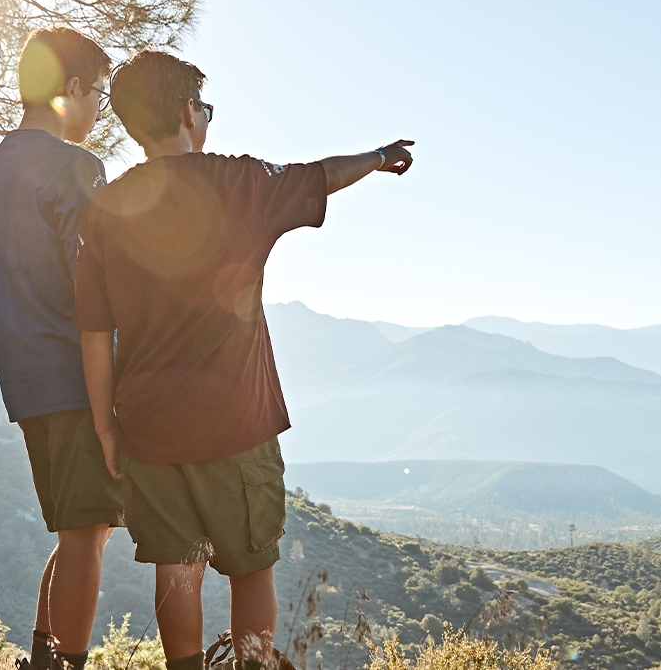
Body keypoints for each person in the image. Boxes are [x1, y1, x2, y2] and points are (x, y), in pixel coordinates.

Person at [74, 51, 414, 670]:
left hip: (147, 425)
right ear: (188, 112)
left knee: (177, 571)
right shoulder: (240, 182)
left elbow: (95, 332)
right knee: (251, 567)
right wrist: (379, 155)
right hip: (236, 422)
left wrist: (106, 428)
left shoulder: (104, 210)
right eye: (205, 107)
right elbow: (320, 175)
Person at [0, 27, 118, 670]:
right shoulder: (75, 166)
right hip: (78, 370)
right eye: (100, 95)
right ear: (74, 87)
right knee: (88, 533)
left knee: (74, 526)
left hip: (24, 376)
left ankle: (41, 655)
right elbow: (97, 281)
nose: (99, 111)